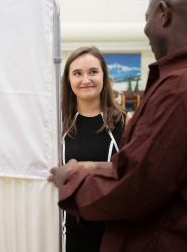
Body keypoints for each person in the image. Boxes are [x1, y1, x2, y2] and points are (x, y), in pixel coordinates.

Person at [47, 0, 187, 251]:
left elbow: (134, 188)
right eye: (77, 73)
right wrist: (102, 168)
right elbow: (165, 169)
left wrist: (71, 181)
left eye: (147, 19)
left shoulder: (183, 89)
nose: (85, 80)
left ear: (163, 14)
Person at [59, 46, 128, 252]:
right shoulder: (56, 125)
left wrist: (87, 167)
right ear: (68, 80)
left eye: (93, 72)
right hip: (64, 236)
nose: (85, 79)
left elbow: (135, 171)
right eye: (77, 73)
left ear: (104, 77)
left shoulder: (126, 123)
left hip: (113, 236)